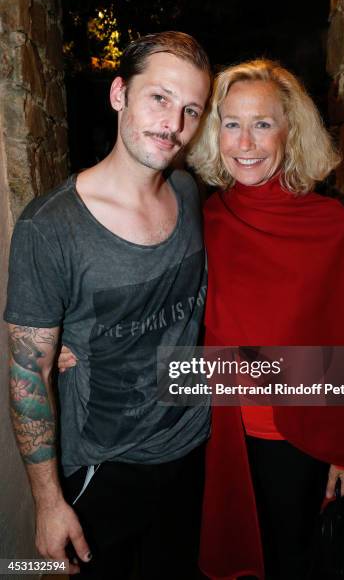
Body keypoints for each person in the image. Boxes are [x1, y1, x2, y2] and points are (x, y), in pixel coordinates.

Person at [4, 31, 212, 579]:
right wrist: (49, 503)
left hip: (193, 445)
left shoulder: (190, 193)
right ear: (119, 93)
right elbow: (30, 373)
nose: (174, 124)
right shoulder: (48, 228)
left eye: (191, 109)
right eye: (159, 98)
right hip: (105, 465)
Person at [186, 59, 344, 580]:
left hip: (300, 440)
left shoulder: (331, 226)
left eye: (262, 124)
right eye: (231, 124)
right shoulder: (203, 217)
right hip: (212, 436)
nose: (246, 142)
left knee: (291, 562)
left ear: (291, 131)